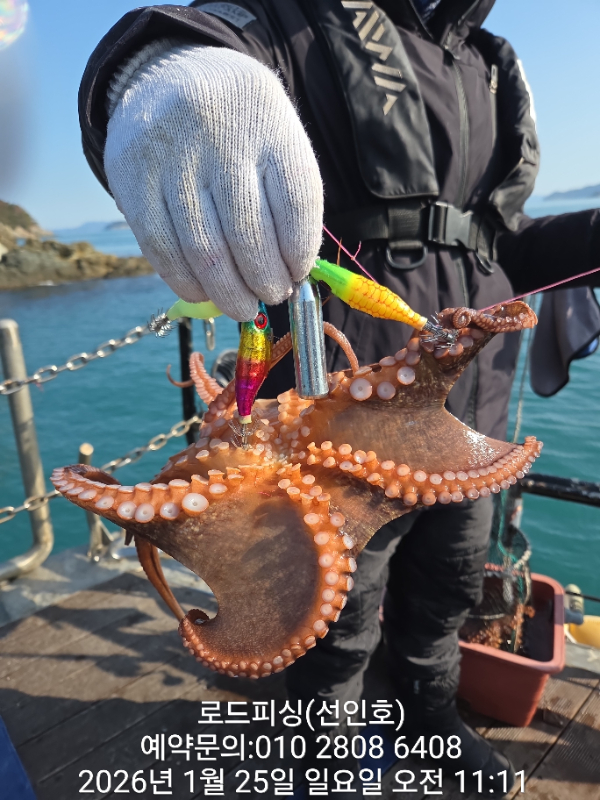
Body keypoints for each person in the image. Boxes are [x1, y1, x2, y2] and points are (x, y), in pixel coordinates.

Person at [79, 1, 600, 795]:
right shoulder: (300, 17)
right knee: (338, 616)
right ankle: (325, 757)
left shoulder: (488, 63)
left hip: (470, 410)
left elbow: (501, 242)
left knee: (448, 590)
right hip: (337, 415)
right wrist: (154, 67)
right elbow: (212, 35)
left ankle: (431, 719)